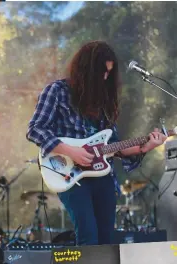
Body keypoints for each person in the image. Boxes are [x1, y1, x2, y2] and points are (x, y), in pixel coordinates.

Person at [26, 40, 167, 246]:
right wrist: (71, 152)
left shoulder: (104, 102)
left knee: (106, 239)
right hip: (70, 174)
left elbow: (115, 146)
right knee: (88, 236)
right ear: (87, 69)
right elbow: (35, 129)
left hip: (103, 176)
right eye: (102, 71)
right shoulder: (57, 91)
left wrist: (145, 146)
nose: (105, 77)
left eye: (109, 72)